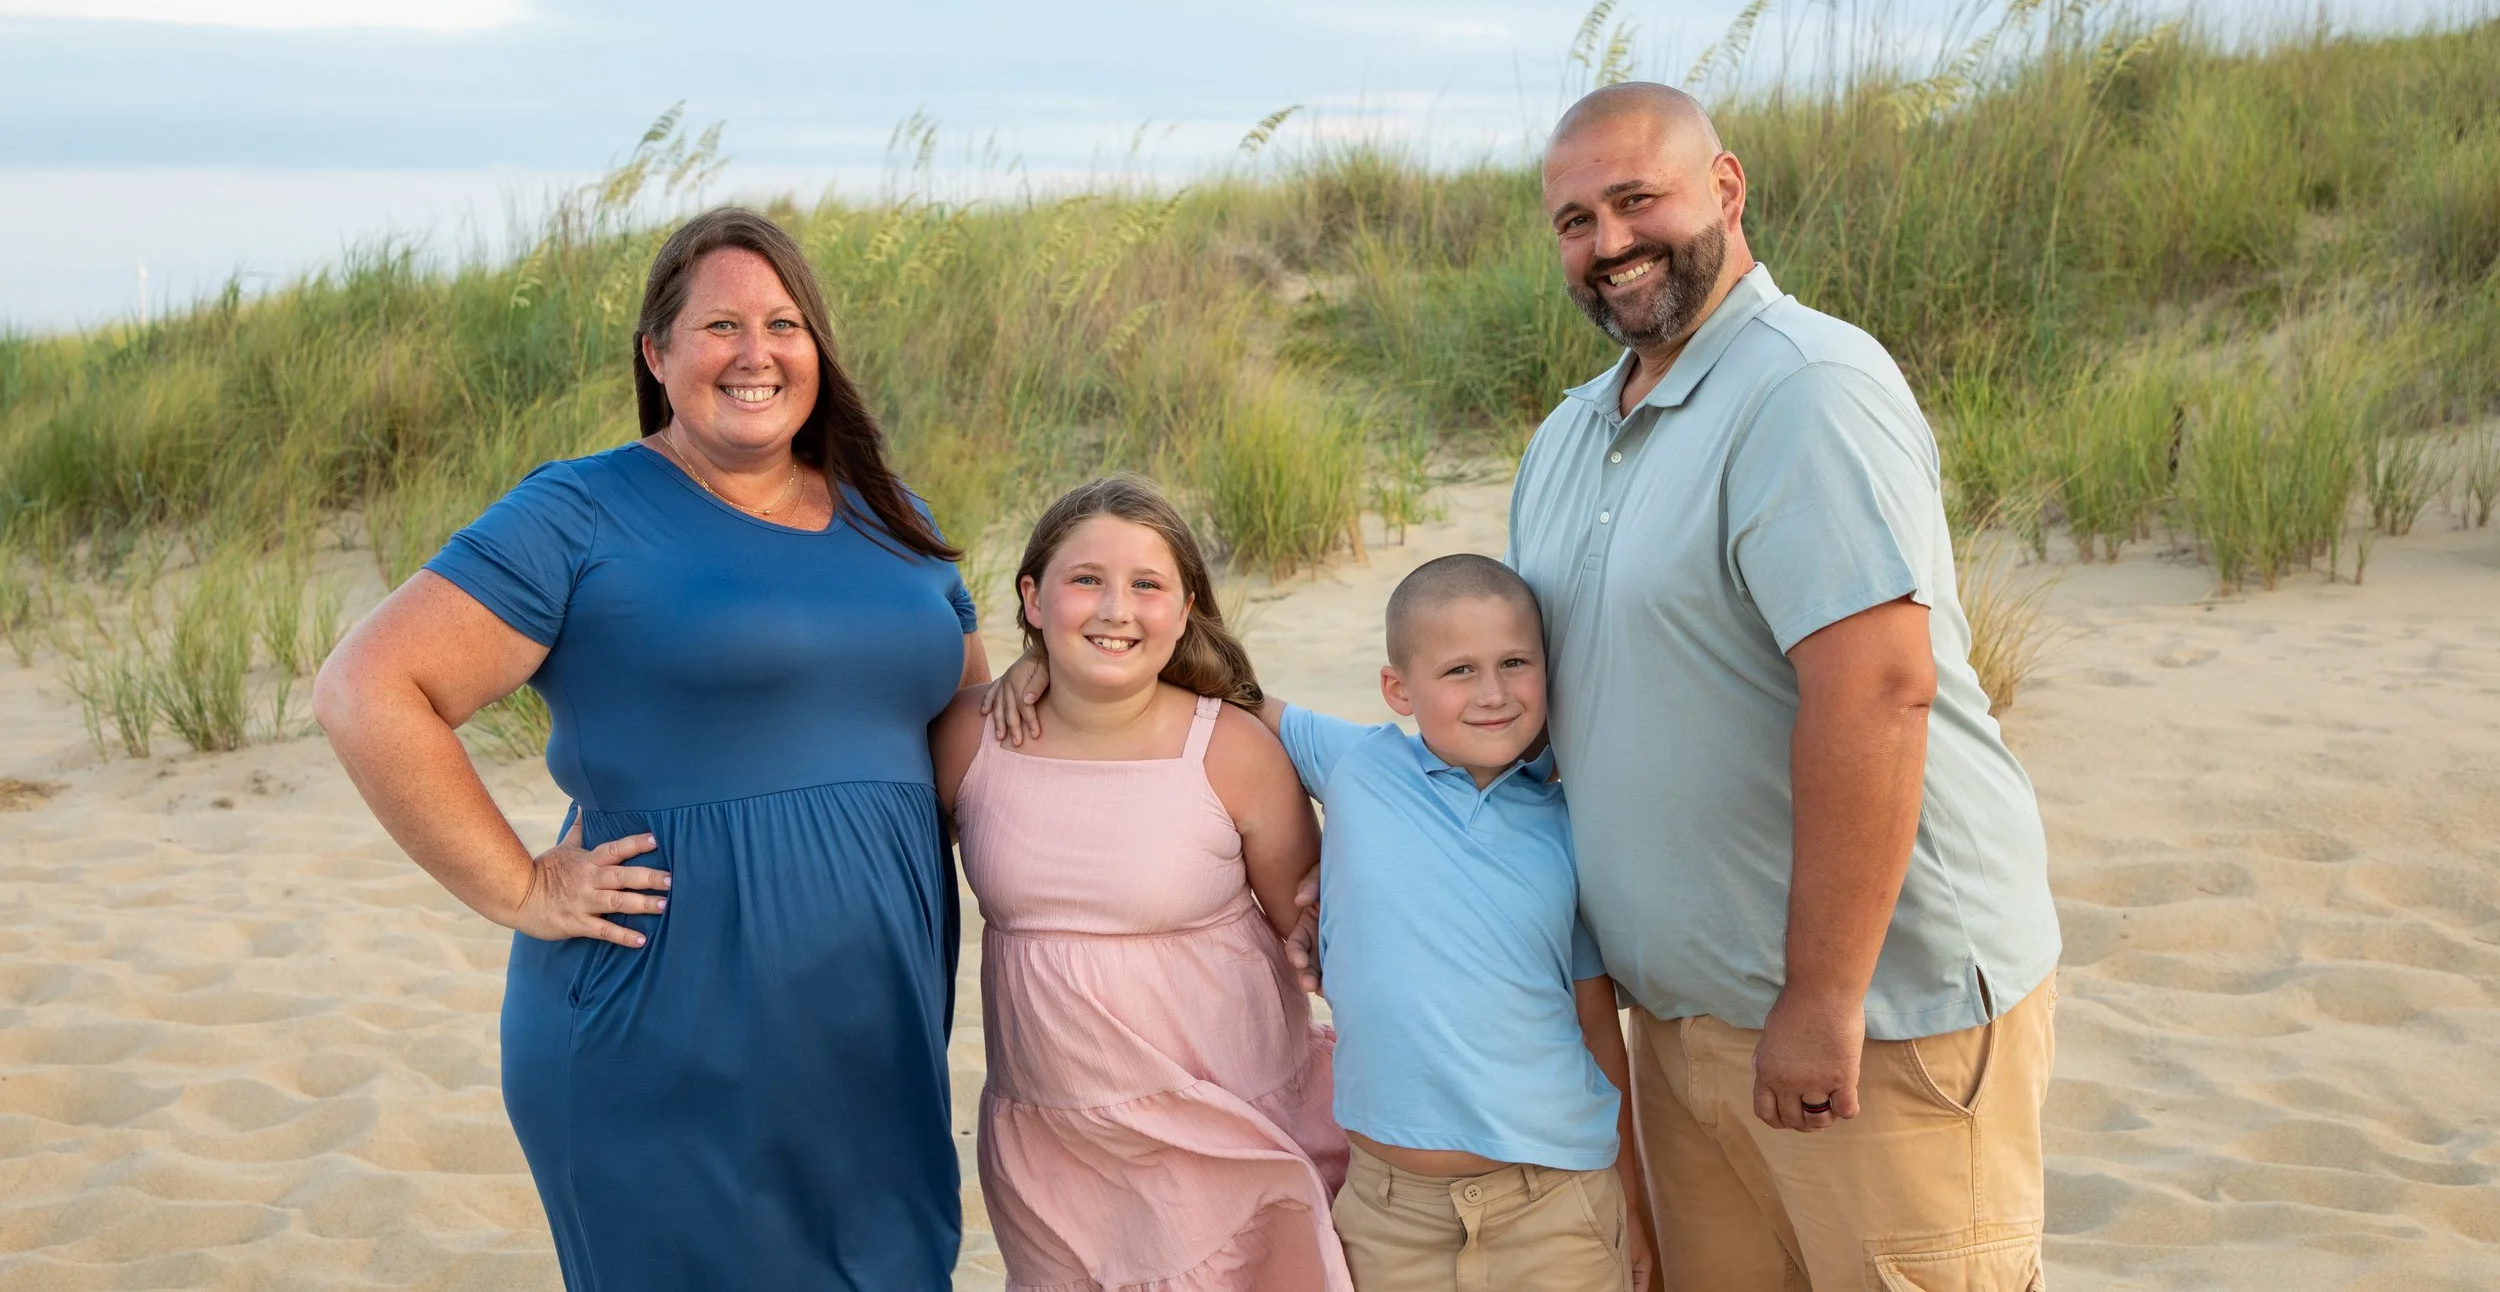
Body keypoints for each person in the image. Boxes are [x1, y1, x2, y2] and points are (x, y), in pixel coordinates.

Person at [313, 207, 983, 1289]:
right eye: (719, 324)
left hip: (874, 1029)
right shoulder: (581, 512)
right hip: (664, 1023)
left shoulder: (890, 514)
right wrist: (521, 884)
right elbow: (368, 687)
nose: (756, 352)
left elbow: (962, 707)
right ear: (656, 352)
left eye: (783, 322)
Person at [1504, 80, 2063, 1290]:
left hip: (1869, 1022)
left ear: (1726, 186)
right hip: (1682, 1030)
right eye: (1573, 220)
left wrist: (1820, 998)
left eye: (1636, 198)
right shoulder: (1565, 437)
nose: (1608, 244)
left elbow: (1877, 690)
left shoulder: (1805, 387)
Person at [992, 553, 1654, 1292]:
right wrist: (1038, 664)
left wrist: (1631, 1195)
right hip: (1388, 1209)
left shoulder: (1567, 824)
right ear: (1397, 689)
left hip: (1554, 1200)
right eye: (1459, 670)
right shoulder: (1357, 764)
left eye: (1515, 663)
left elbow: (1597, 1026)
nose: (1493, 693)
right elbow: (1222, 690)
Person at [930, 475, 1350, 1292]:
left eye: (1147, 585)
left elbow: (1321, 931)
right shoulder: (969, 738)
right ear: (1032, 596)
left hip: (1226, 1127)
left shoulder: (1230, 750)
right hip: (1053, 1147)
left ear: (1185, 606)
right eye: (1085, 580)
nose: (1116, 609)